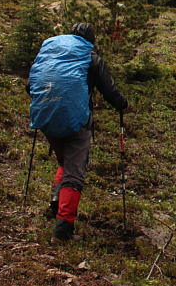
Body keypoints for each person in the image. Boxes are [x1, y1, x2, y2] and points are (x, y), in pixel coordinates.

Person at [27, 22, 128, 242]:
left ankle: (57, 198)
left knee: (65, 161)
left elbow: (30, 86)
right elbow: (109, 90)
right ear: (90, 41)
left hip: (46, 116)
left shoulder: (50, 54)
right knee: (75, 172)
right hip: (76, 120)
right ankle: (62, 231)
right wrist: (122, 104)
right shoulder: (90, 58)